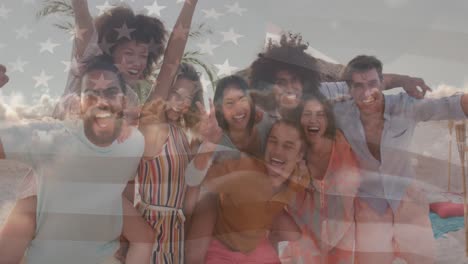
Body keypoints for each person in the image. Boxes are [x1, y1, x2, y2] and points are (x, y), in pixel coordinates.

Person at [0, 56, 153, 264]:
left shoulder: (134, 142)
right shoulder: (52, 137)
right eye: (91, 95)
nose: (102, 102)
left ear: (124, 102)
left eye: (110, 92)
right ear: (79, 104)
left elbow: (123, 187)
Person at [335, 55, 468, 264]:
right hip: (368, 204)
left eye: (372, 83)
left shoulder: (406, 107)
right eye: (359, 86)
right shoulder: (340, 113)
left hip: (407, 199)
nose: (367, 92)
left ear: (382, 83)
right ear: (350, 90)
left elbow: (448, 105)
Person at [133, 0, 202, 263]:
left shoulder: (182, 136)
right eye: (176, 93)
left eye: (189, 97)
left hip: (178, 233)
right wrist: (190, 5)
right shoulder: (153, 127)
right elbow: (171, 61)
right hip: (151, 230)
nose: (182, 102)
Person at [188, 119, 308, 263]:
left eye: (288, 146)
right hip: (223, 249)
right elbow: (197, 180)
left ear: (300, 156)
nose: (277, 151)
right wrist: (206, 147)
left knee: (296, 236)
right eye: (273, 141)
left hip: (255, 244)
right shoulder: (244, 170)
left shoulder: (299, 177)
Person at [248, 33, 432, 121]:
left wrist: (404, 80)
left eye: (295, 80)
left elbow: (363, 85)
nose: (290, 88)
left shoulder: (321, 94)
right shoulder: (258, 113)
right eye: (281, 82)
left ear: (305, 80)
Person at [53, 0, 167, 123]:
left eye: (143, 55)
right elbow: (82, 15)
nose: (137, 62)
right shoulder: (88, 64)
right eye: (129, 53)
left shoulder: (131, 99)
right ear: (111, 52)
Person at [281, 93, 361, 264]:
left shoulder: (340, 143)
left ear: (328, 120)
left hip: (341, 229)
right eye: (307, 114)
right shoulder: (292, 149)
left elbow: (351, 187)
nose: (313, 120)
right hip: (304, 234)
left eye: (320, 114)